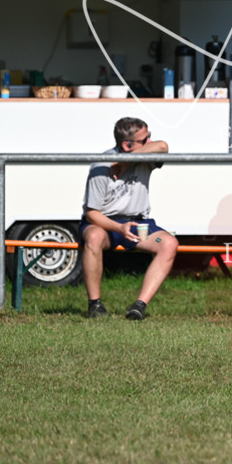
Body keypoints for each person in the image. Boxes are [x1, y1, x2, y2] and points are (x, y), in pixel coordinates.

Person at [80, 117, 178, 320]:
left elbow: (163, 146)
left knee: (169, 244)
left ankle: (139, 306)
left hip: (138, 222)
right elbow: (92, 213)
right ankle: (95, 305)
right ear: (127, 144)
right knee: (94, 238)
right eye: (145, 139)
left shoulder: (147, 155)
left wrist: (126, 160)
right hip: (104, 223)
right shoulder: (102, 165)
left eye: (149, 136)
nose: (150, 142)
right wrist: (119, 228)